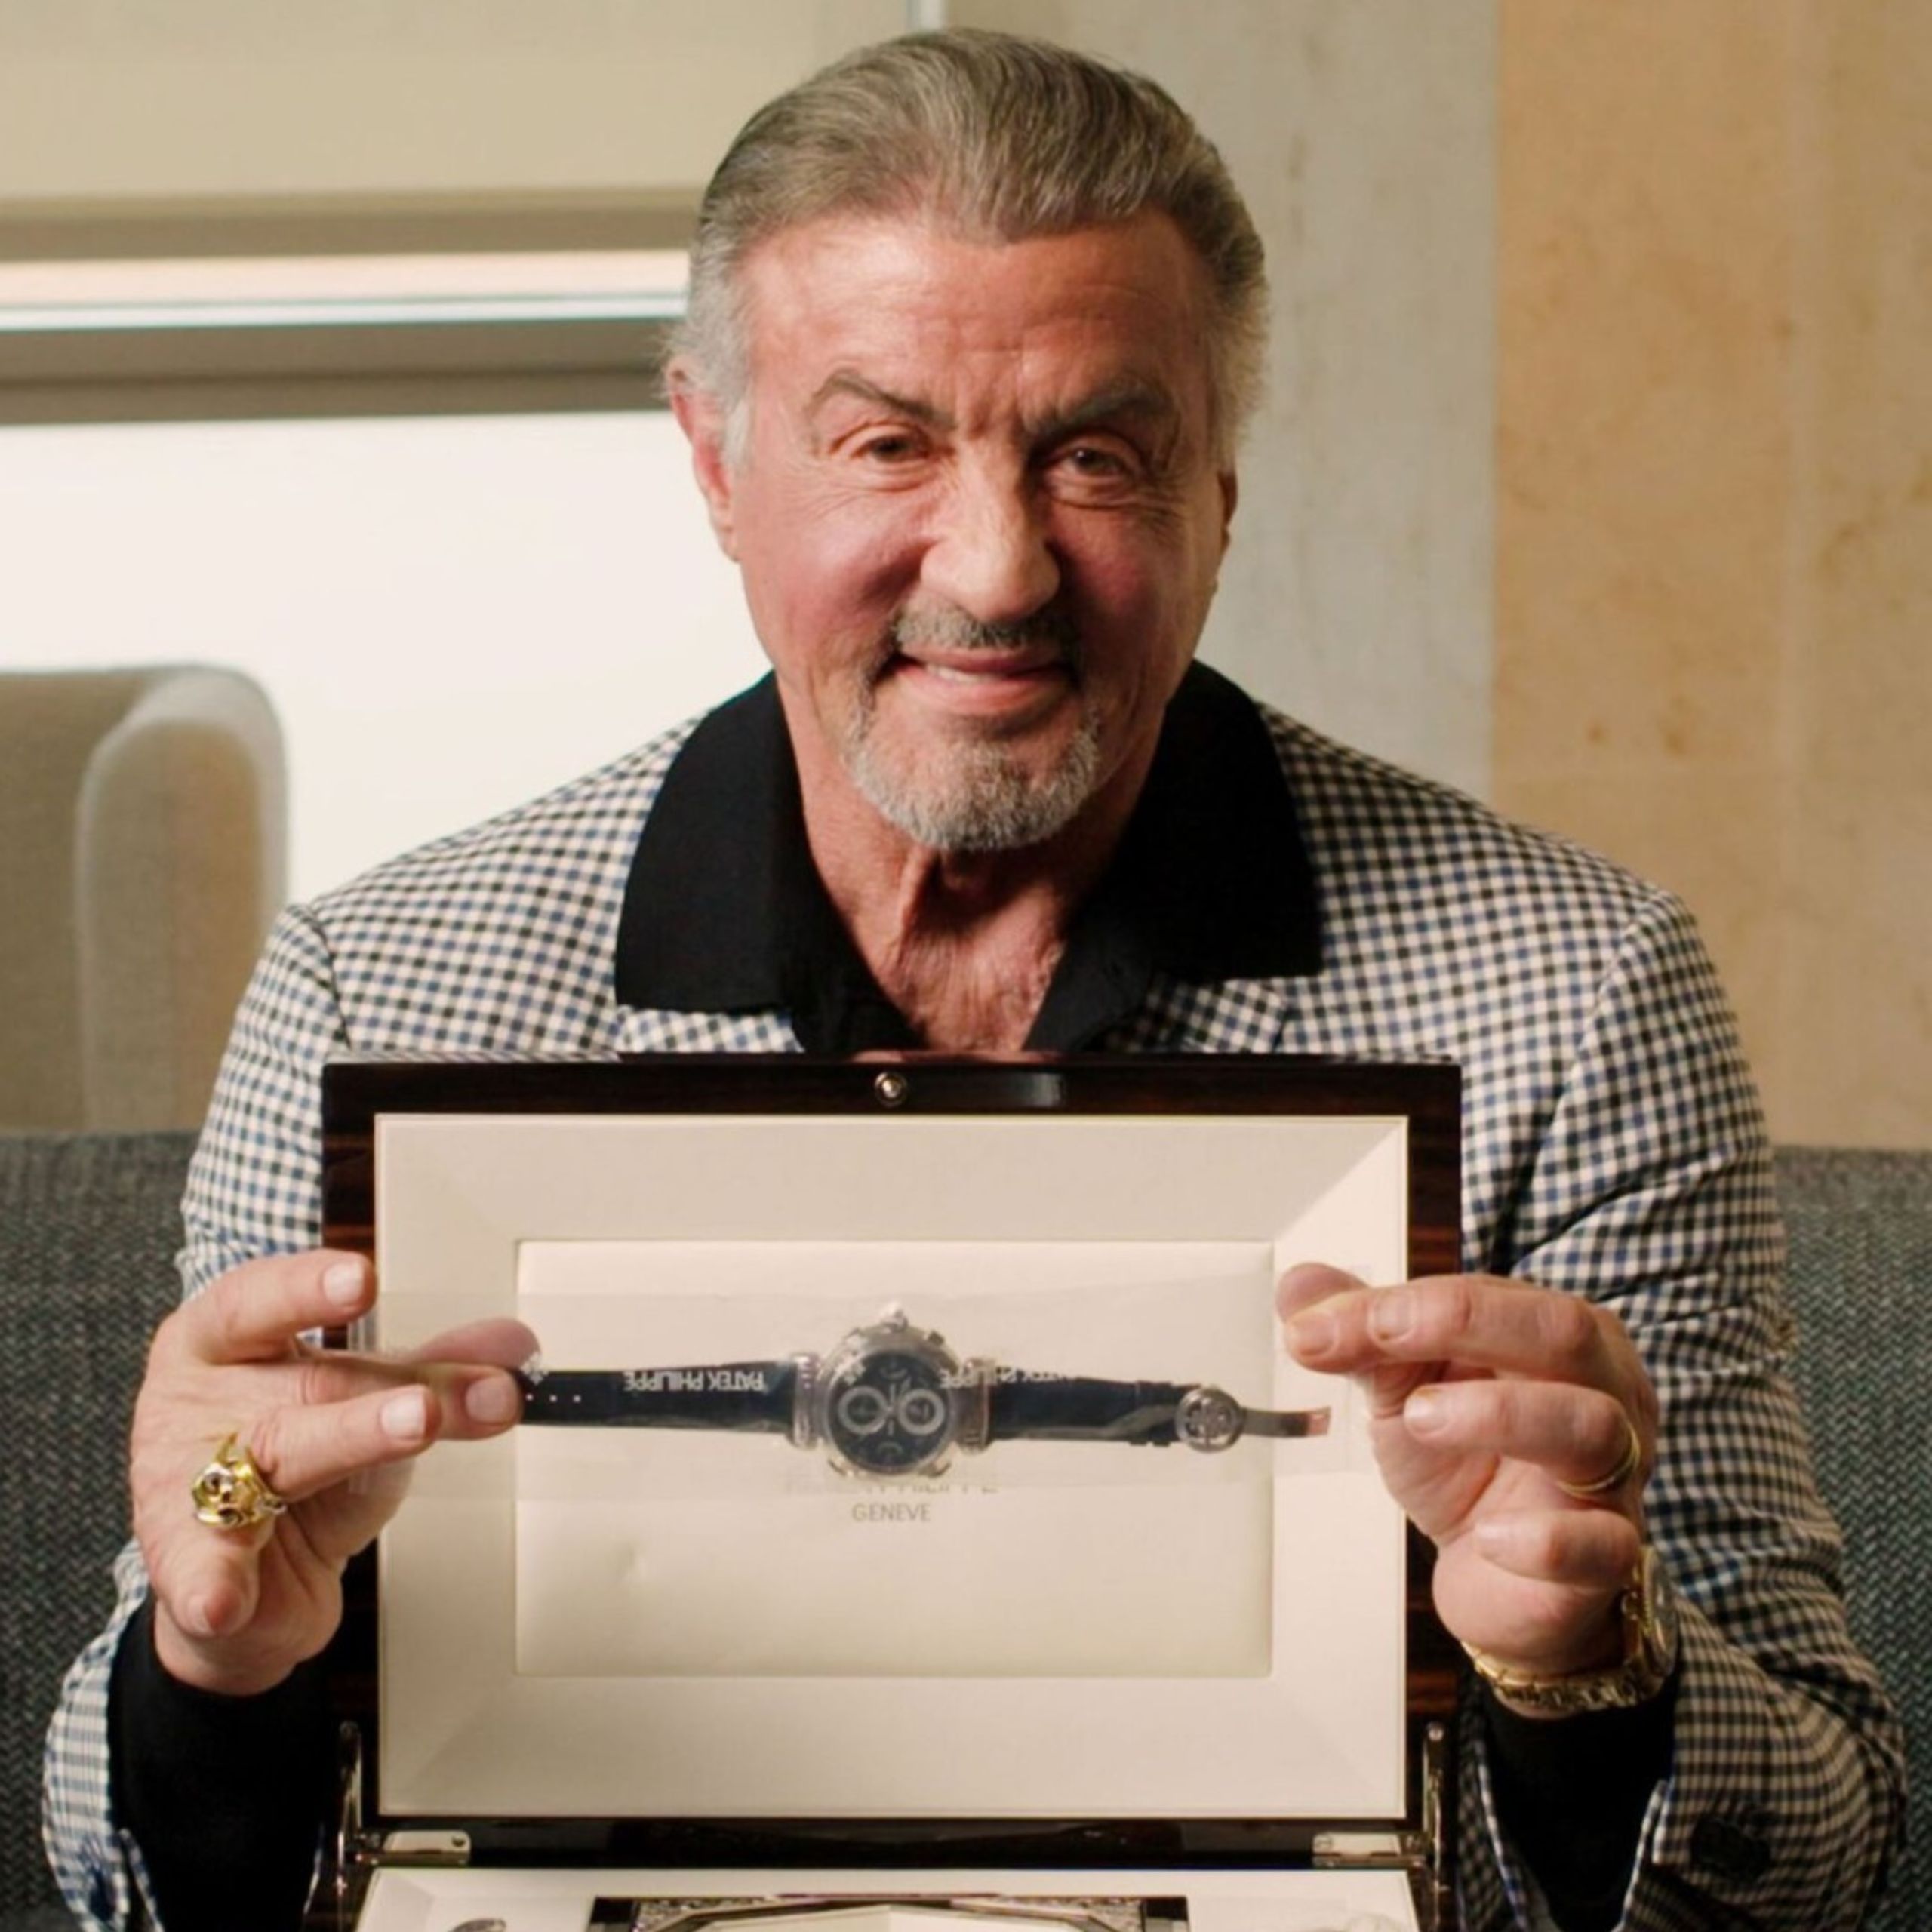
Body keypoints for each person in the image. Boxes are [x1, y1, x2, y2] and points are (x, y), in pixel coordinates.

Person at [45, 29, 1902, 1932]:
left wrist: (1581, 1667)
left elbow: (1824, 1850)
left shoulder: (1570, 989)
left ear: (1221, 485)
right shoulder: (375, 987)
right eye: (887, 444)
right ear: (715, 462)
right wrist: (215, 1663)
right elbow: (116, 1865)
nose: (1000, 570)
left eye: (1098, 453)